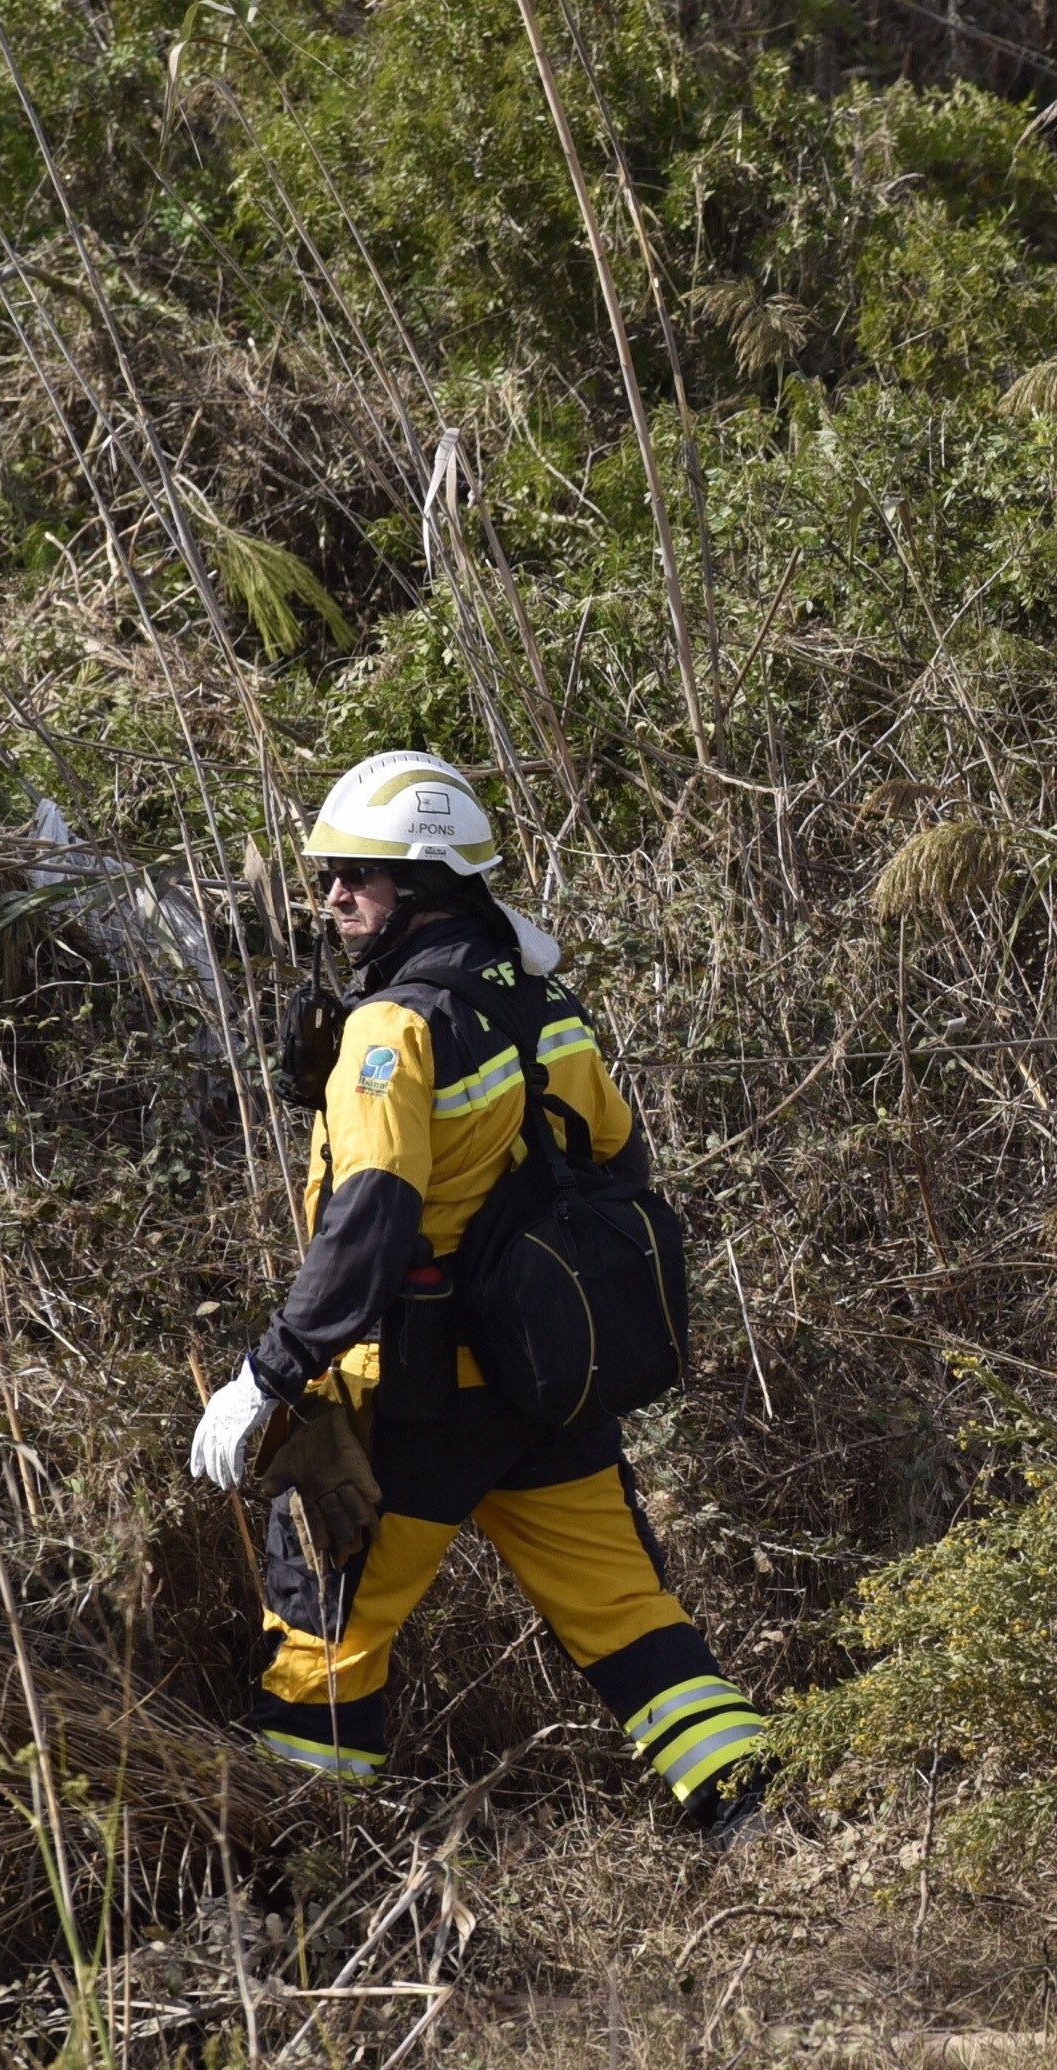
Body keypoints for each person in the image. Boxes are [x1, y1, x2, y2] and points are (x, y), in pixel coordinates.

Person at [187, 752, 771, 1846]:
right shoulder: (545, 1006)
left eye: (354, 877)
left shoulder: (391, 1031)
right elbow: (616, 1165)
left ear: (425, 881)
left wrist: (266, 1374)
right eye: (329, 877)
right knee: (627, 1613)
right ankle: (758, 1820)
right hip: (546, 1390)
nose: (333, 900)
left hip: (417, 1405)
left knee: (326, 1630)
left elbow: (366, 1224)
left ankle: (310, 1869)